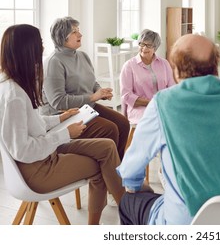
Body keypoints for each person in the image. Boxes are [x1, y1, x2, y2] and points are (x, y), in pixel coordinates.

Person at [116, 34, 220, 225]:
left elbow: (130, 170)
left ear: (176, 70)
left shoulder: (164, 103)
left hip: (191, 223)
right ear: (217, 62)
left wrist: (135, 184)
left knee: (129, 201)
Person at [0, 24, 124, 225]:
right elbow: (23, 151)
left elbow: (33, 124)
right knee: (101, 165)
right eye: (38, 44)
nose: (42, 48)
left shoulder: (16, 85)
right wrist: (65, 134)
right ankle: (124, 215)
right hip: (38, 168)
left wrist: (60, 118)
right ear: (27, 50)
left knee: (107, 147)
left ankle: (127, 207)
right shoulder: (13, 95)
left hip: (45, 150)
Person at [40, 16, 130, 162]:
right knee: (110, 128)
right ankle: (101, 175)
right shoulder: (53, 62)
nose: (80, 35)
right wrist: (93, 97)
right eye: (75, 32)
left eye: (79, 30)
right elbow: (58, 102)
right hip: (63, 116)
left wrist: (101, 92)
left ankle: (115, 168)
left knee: (123, 123)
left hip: (86, 108)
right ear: (63, 37)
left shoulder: (82, 56)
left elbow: (92, 82)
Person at [120, 29, 175, 126]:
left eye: (148, 45)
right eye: (142, 44)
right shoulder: (129, 66)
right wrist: (152, 103)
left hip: (161, 105)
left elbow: (172, 88)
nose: (144, 48)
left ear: (155, 47)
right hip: (139, 109)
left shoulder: (164, 63)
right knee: (157, 121)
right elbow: (127, 95)